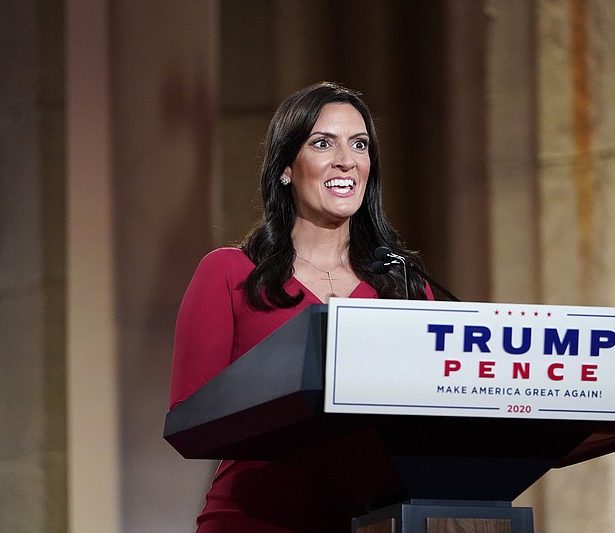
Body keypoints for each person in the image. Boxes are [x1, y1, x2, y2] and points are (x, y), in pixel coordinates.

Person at [169, 81, 432, 532]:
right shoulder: (230, 274)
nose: (346, 160)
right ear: (287, 167)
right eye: (322, 143)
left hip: (374, 520)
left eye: (360, 145)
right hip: (256, 518)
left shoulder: (406, 287)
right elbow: (189, 418)